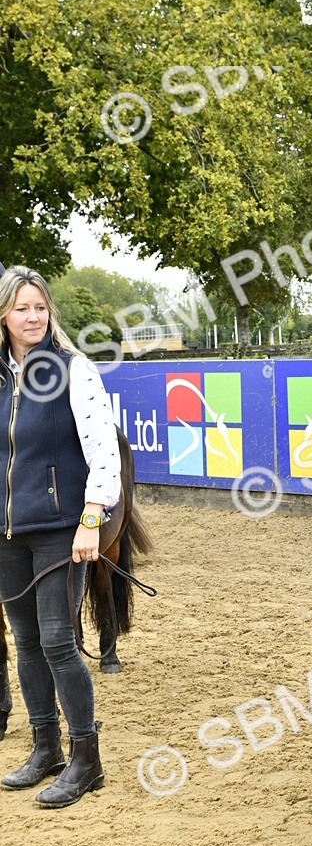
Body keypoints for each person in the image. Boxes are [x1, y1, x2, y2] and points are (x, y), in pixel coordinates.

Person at [0, 266, 121, 808]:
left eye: (40, 307)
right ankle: (44, 747)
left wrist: (92, 516)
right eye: (21, 308)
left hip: (60, 529)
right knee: (24, 642)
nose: (32, 317)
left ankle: (86, 759)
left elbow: (104, 451)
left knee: (57, 642)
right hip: (7, 533)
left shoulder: (74, 371)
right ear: (3, 315)